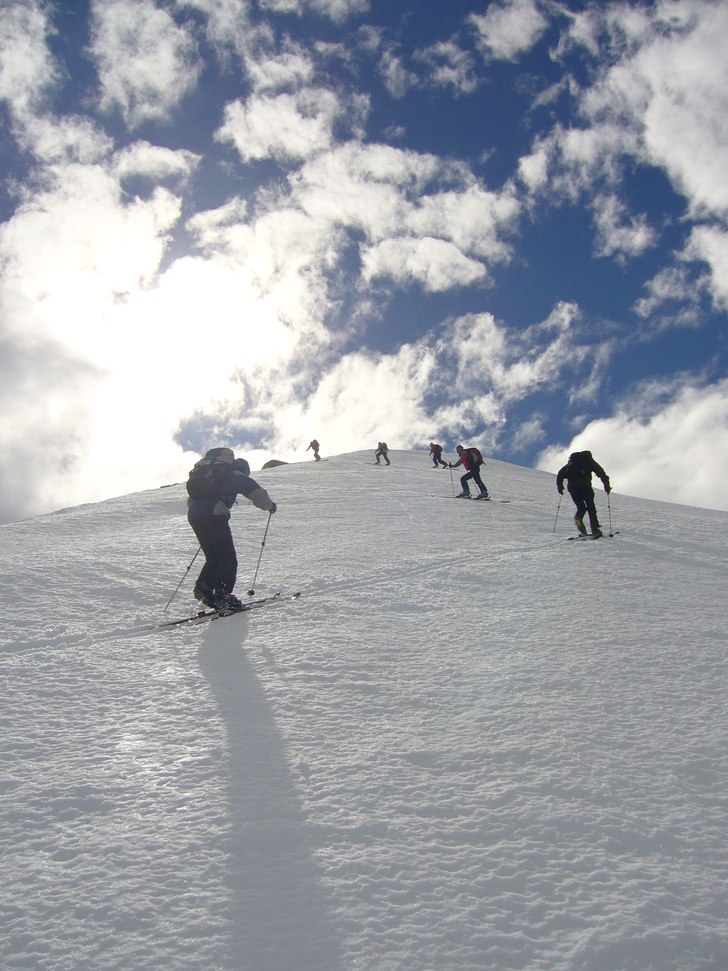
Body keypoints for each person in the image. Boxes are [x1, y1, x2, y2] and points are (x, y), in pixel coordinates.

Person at [186, 447, 277, 611]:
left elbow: (191, 501)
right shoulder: (234, 474)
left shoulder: (207, 474)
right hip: (214, 513)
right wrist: (270, 506)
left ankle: (204, 587)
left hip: (194, 515)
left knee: (213, 556)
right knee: (227, 556)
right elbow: (256, 493)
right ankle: (224, 594)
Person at [556, 450, 611, 537]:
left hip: (572, 488)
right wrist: (606, 486)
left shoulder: (571, 463)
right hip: (585, 487)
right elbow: (601, 473)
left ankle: (578, 518)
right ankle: (595, 529)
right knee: (591, 507)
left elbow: (560, 473)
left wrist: (560, 487)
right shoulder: (589, 461)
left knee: (581, 507)